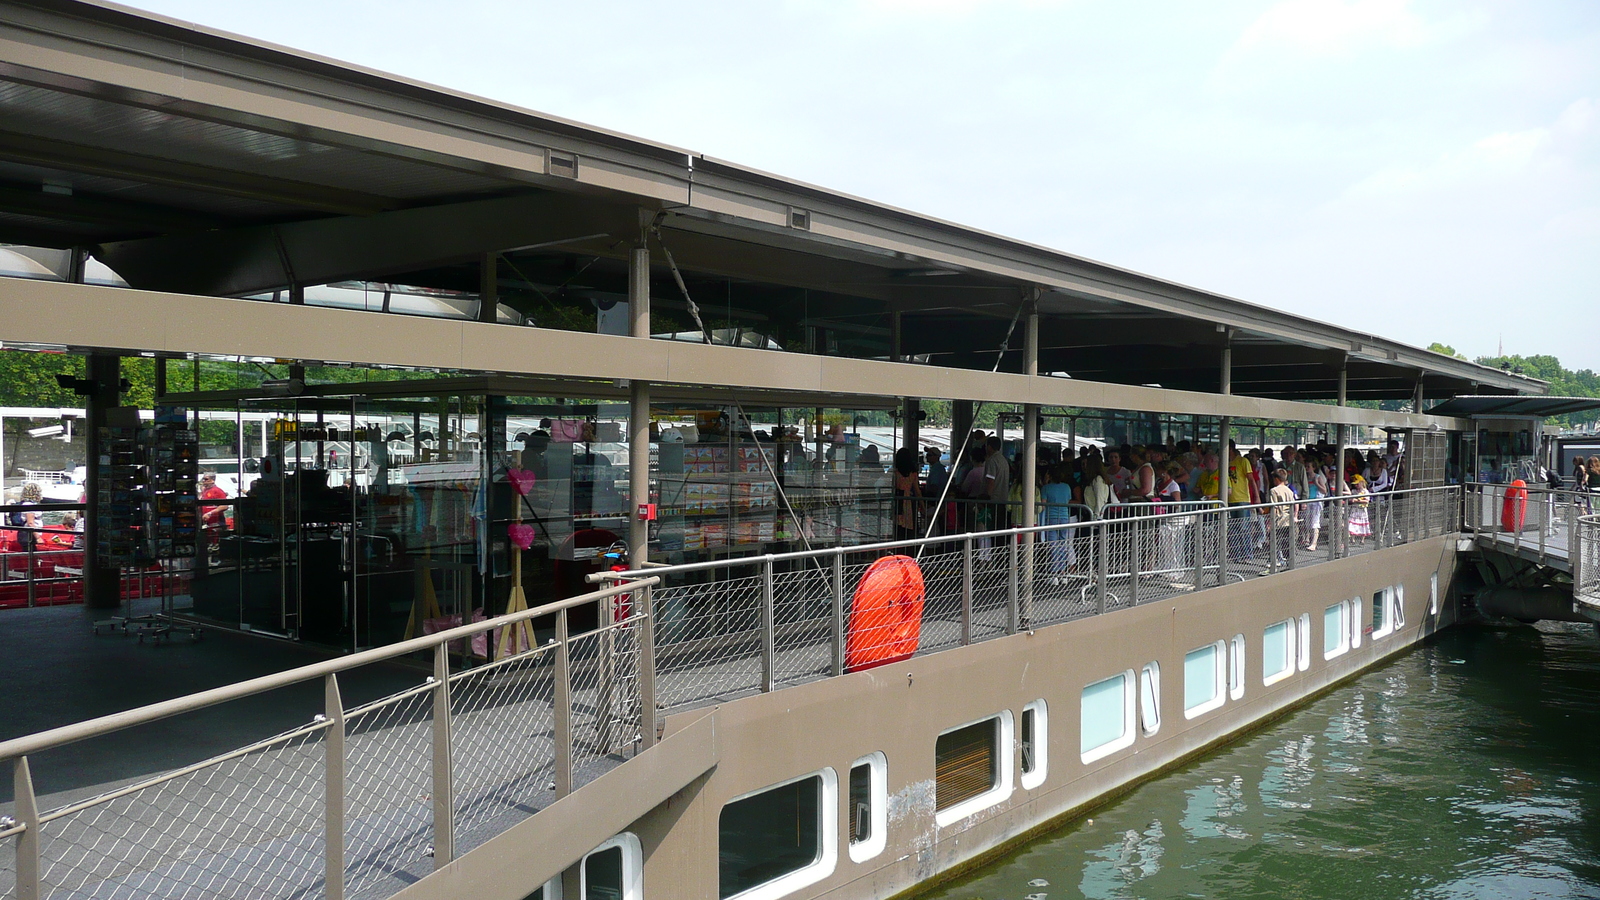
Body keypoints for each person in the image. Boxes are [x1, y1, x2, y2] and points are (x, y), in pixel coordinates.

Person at [1039, 463, 1076, 580]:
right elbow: (1068, 500)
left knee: (1053, 546)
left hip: (1051, 518)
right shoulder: (1066, 487)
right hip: (1065, 517)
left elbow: (1043, 505)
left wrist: (1044, 484)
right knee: (1063, 544)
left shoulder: (1046, 488)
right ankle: (1062, 571)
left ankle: (1054, 573)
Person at [1266, 468, 1295, 572]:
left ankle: (1273, 561)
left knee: (1274, 541)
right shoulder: (1289, 491)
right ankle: (1288, 561)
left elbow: (1274, 507)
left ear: (1276, 479)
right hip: (1288, 519)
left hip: (1278, 520)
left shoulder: (1274, 491)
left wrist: (1270, 522)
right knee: (1286, 541)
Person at [891, 447, 922, 541]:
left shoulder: (894, 472)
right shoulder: (913, 473)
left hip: (897, 499)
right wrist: (923, 506)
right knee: (908, 525)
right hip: (908, 501)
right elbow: (917, 491)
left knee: (897, 526)